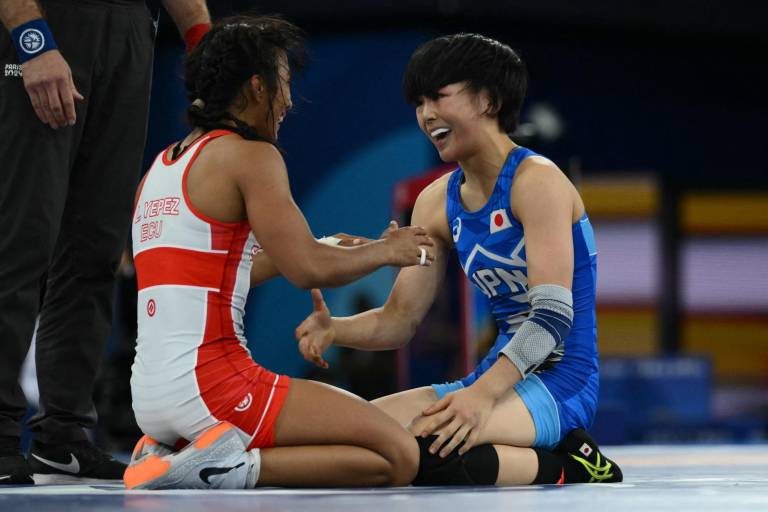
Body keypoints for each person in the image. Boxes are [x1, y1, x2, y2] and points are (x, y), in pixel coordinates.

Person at [123, 16, 436, 490]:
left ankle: (174, 450)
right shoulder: (251, 156)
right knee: (397, 454)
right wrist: (387, 252)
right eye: (284, 83)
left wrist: (331, 247)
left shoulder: (162, 167)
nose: (289, 101)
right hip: (214, 386)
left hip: (148, 398)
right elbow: (307, 267)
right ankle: (229, 468)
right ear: (256, 87)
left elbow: (216, 278)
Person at [295, 33, 624, 486]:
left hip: (562, 381)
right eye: (419, 103)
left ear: (488, 99)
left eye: (438, 97)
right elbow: (399, 321)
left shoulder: (538, 182)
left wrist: (479, 398)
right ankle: (523, 443)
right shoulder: (434, 202)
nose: (426, 115)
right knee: (359, 439)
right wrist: (337, 329)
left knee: (423, 452)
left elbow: (552, 316)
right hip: (495, 377)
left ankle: (575, 463)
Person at [0, 0, 212, 485]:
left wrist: (203, 43)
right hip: (49, 26)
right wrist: (32, 41)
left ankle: (64, 436)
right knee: (21, 239)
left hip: (132, 30)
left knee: (96, 248)